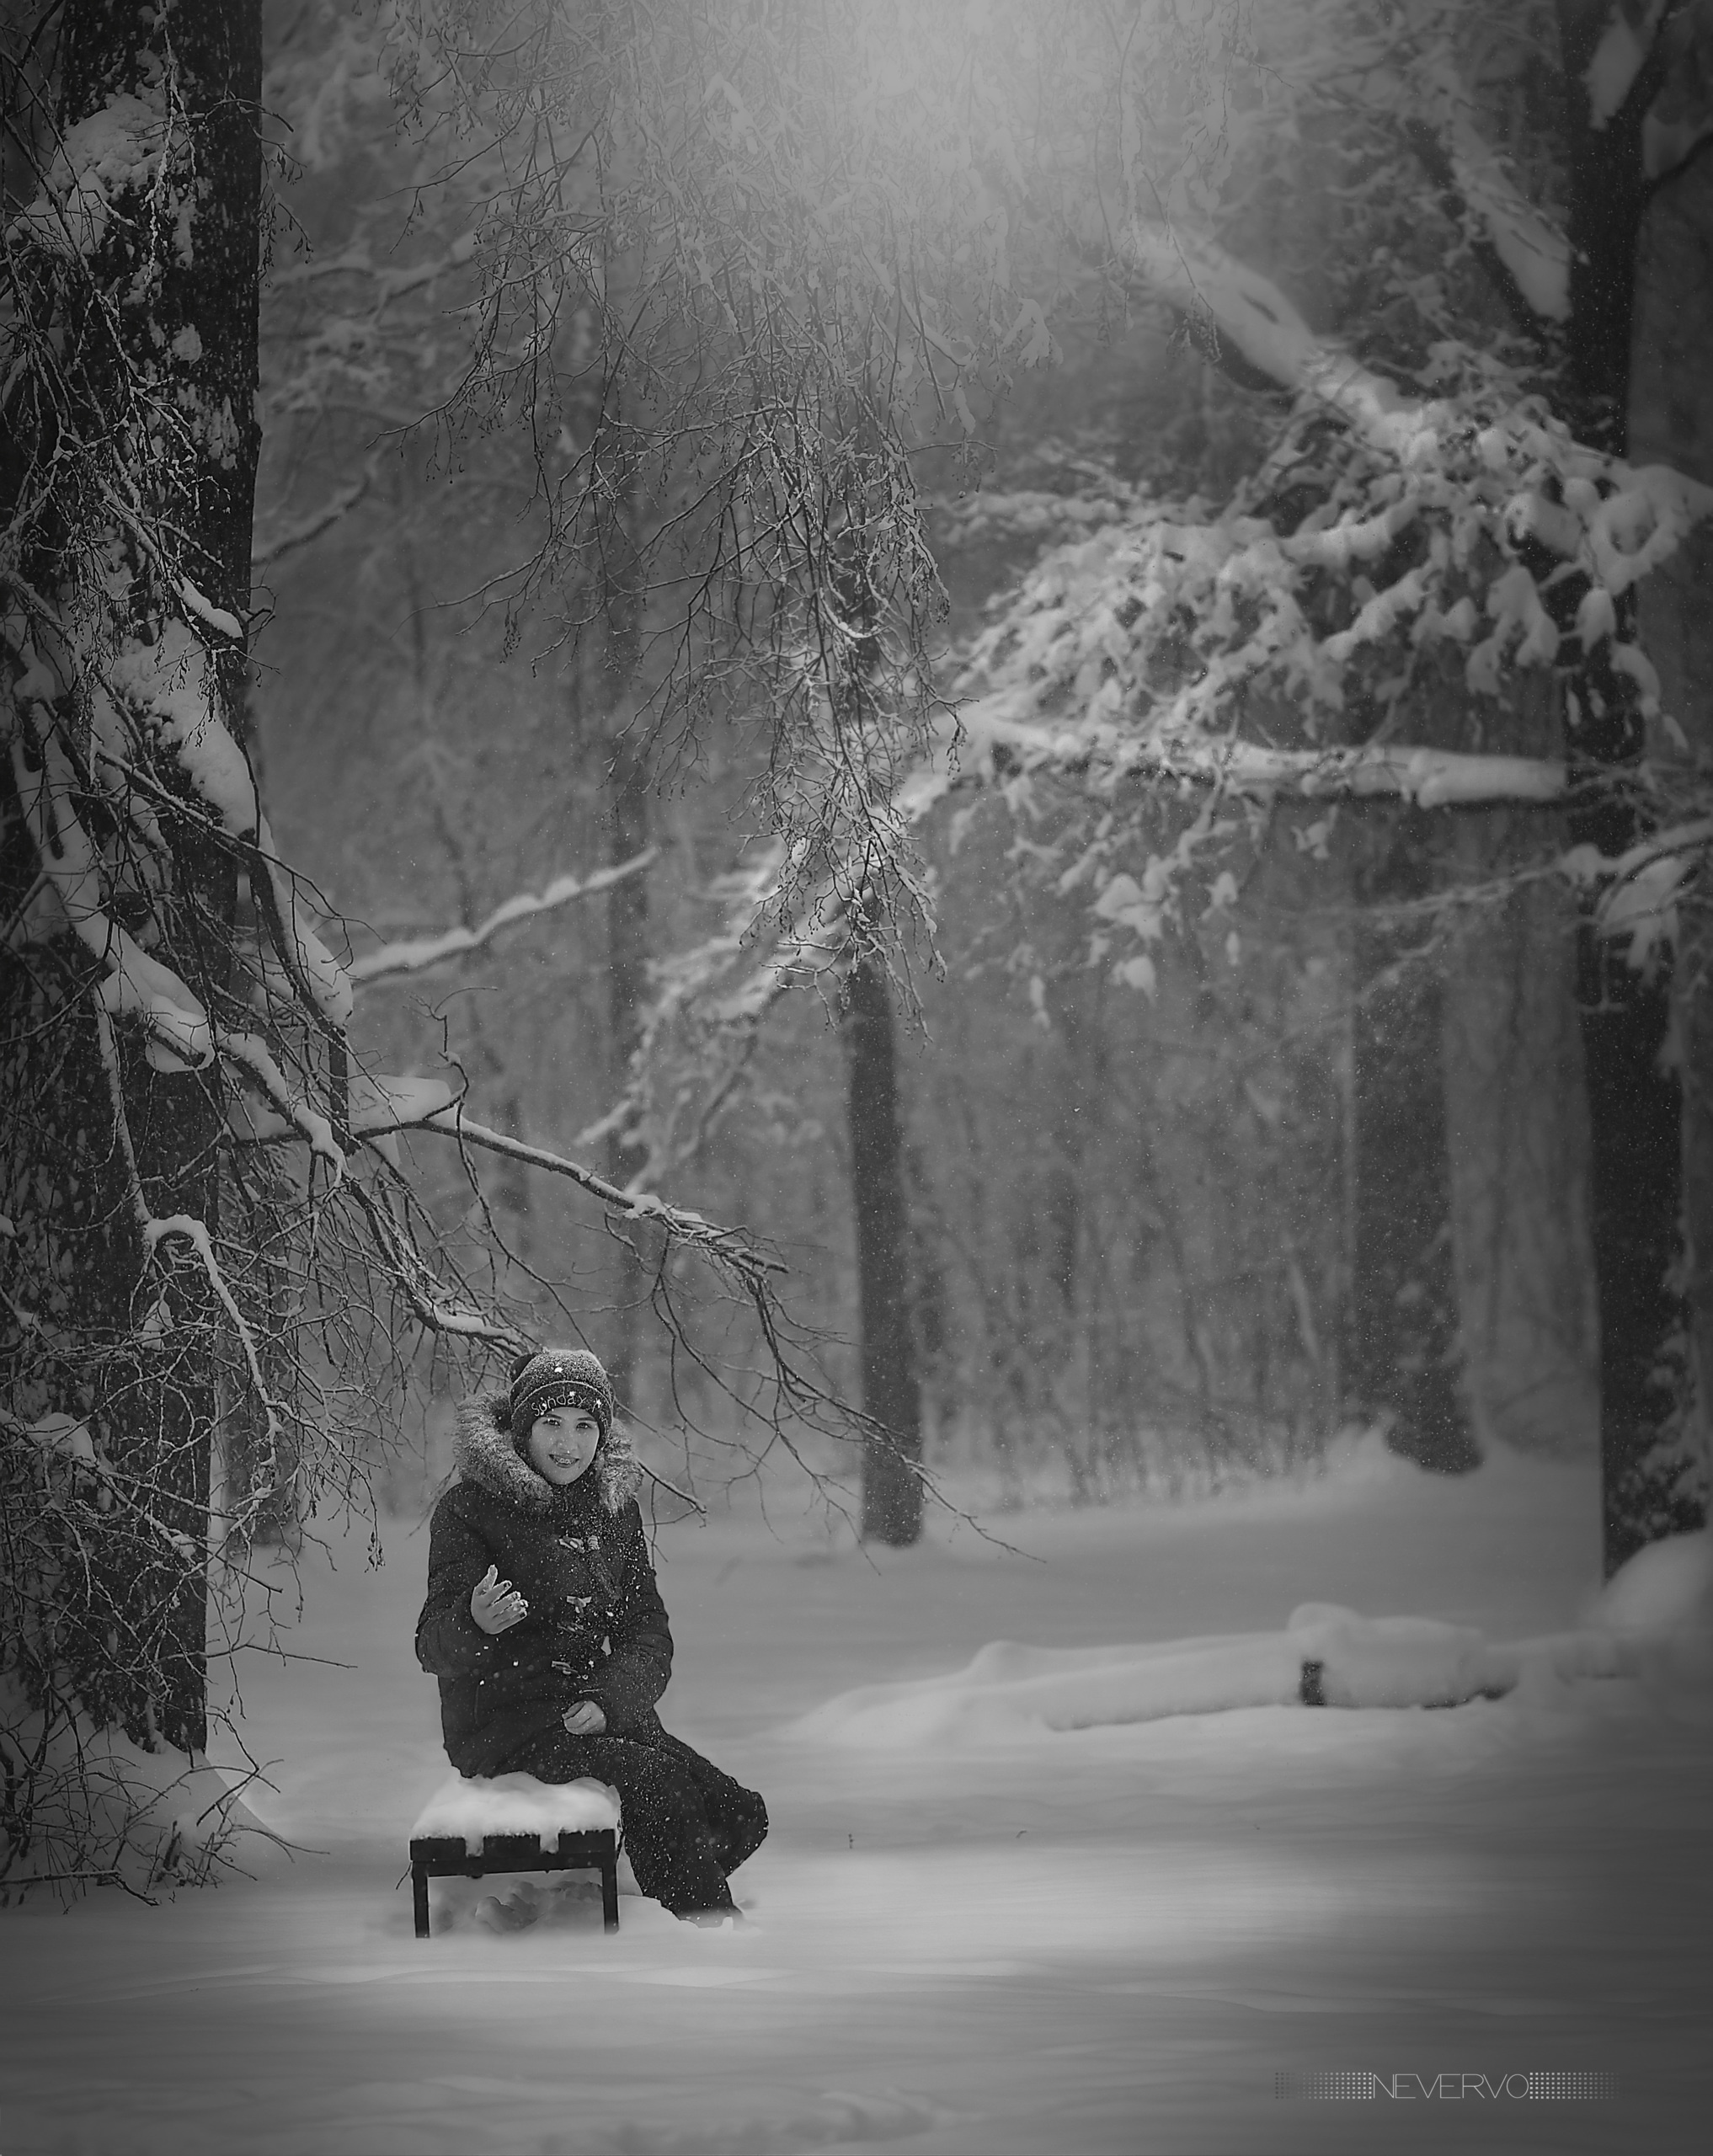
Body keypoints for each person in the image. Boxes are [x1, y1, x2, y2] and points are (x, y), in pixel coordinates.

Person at [415, 1347, 766, 1925]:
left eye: (584, 1426)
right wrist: (474, 1622)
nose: (567, 1443)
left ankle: (640, 1887)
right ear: (523, 1428)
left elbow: (648, 1634)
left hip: (594, 1714)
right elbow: (432, 1646)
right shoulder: (470, 1509)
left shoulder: (613, 1510)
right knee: (659, 1785)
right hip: (505, 1725)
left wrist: (609, 1700)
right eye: (551, 1423)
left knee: (739, 1812)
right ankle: (702, 1929)